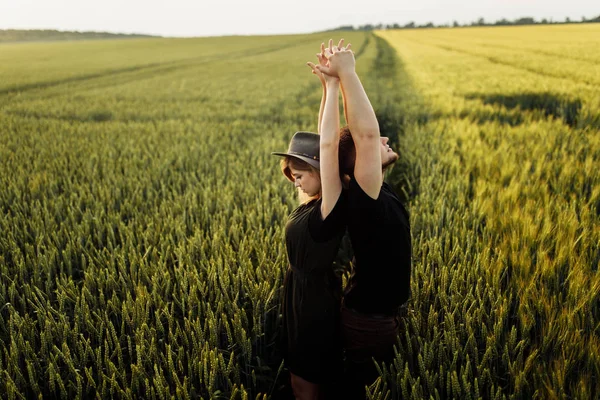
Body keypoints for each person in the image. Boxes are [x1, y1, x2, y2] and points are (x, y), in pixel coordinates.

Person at [314, 40, 412, 399]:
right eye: (370, 147)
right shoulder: (364, 197)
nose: (383, 138)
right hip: (370, 324)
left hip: (374, 318)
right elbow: (365, 135)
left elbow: (334, 144)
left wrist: (332, 85)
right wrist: (347, 70)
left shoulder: (372, 193)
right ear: (358, 164)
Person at [272, 54, 346, 399]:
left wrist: (335, 85)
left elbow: (328, 147)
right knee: (298, 377)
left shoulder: (327, 209)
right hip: (299, 296)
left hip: (314, 304)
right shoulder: (312, 202)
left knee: (305, 384)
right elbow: (322, 140)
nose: (296, 183)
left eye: (300, 175)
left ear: (322, 172)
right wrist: (324, 85)